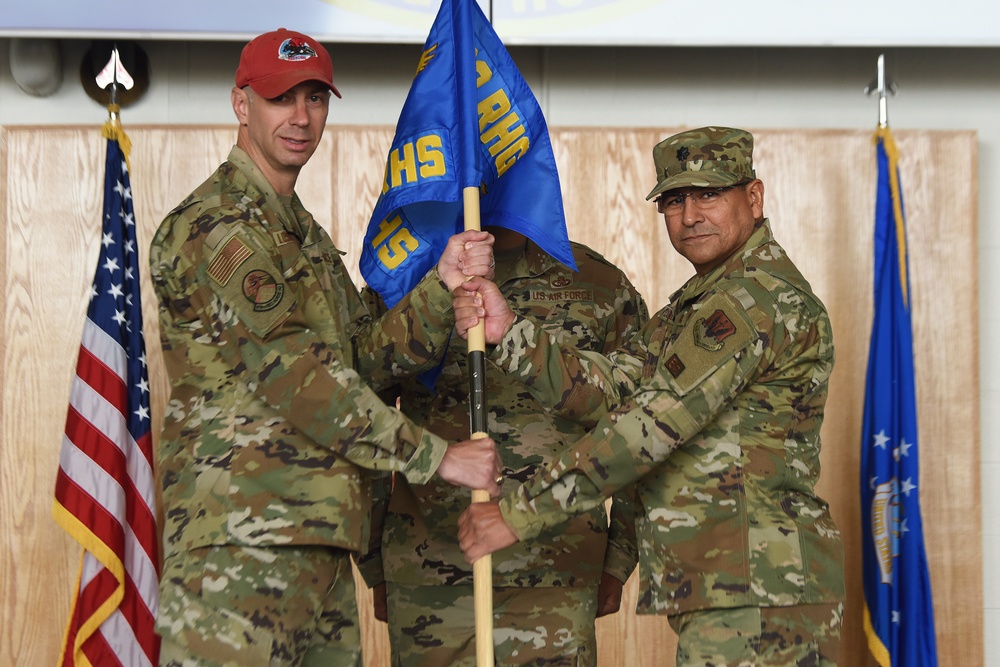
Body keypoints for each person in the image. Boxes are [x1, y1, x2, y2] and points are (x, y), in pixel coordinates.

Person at [148, 28, 501, 667]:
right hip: (241, 544)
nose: (302, 118)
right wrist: (436, 457)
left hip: (322, 538)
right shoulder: (217, 226)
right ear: (240, 104)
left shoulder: (301, 234)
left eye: (316, 98)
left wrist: (441, 285)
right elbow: (297, 376)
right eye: (283, 98)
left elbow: (361, 358)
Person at [455, 127, 846, 665]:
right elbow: (611, 395)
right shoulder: (696, 306)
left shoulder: (754, 300)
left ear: (753, 198)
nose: (690, 215)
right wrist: (508, 332)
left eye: (709, 193)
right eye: (673, 200)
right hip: (730, 587)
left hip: (759, 590)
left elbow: (648, 429)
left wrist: (518, 513)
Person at [355, 226, 649, 666]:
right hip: (429, 571)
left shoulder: (599, 283)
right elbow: (360, 404)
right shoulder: (400, 278)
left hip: (557, 571)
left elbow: (640, 421)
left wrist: (620, 558)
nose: (487, 166)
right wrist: (373, 560)